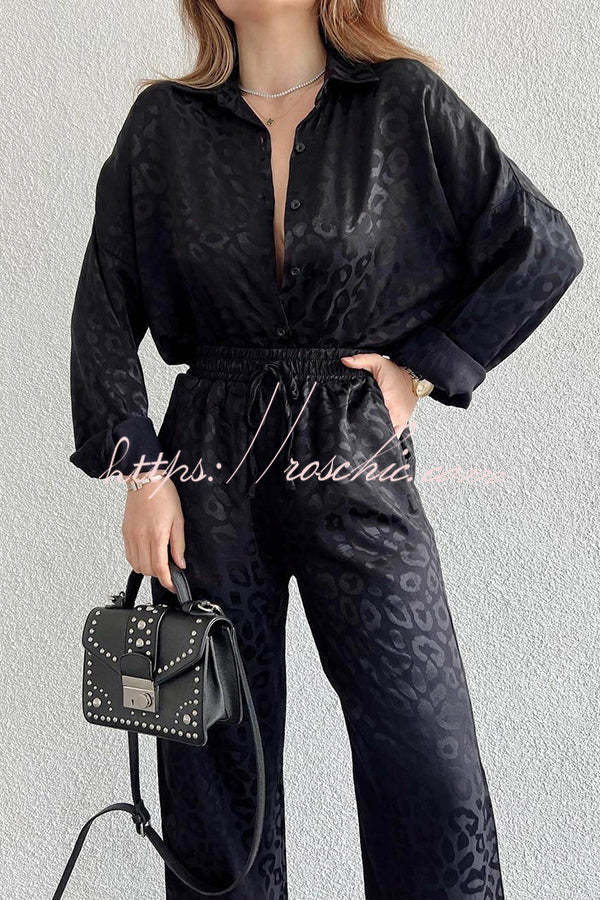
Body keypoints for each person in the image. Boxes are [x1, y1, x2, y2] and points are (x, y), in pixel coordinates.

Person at [68, 2, 584, 898]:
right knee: (214, 768)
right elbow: (103, 310)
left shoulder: (402, 103)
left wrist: (420, 371)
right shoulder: (163, 125)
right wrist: (140, 470)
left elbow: (540, 247)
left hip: (350, 445)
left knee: (428, 756)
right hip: (206, 466)